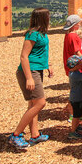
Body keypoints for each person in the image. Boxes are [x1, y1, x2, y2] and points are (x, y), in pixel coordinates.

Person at [9, 8, 53, 149]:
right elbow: (24, 56)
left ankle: (35, 135)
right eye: (48, 16)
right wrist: (29, 78)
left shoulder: (42, 34)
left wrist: (48, 65)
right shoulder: (32, 35)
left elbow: (41, 53)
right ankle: (16, 135)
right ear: (43, 18)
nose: (50, 17)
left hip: (37, 70)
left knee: (33, 104)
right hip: (30, 71)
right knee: (40, 103)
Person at [62, 14, 82, 140]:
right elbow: (78, 53)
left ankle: (76, 126)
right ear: (76, 25)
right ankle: (73, 130)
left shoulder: (68, 35)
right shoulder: (74, 36)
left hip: (73, 69)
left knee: (78, 100)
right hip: (77, 69)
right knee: (77, 106)